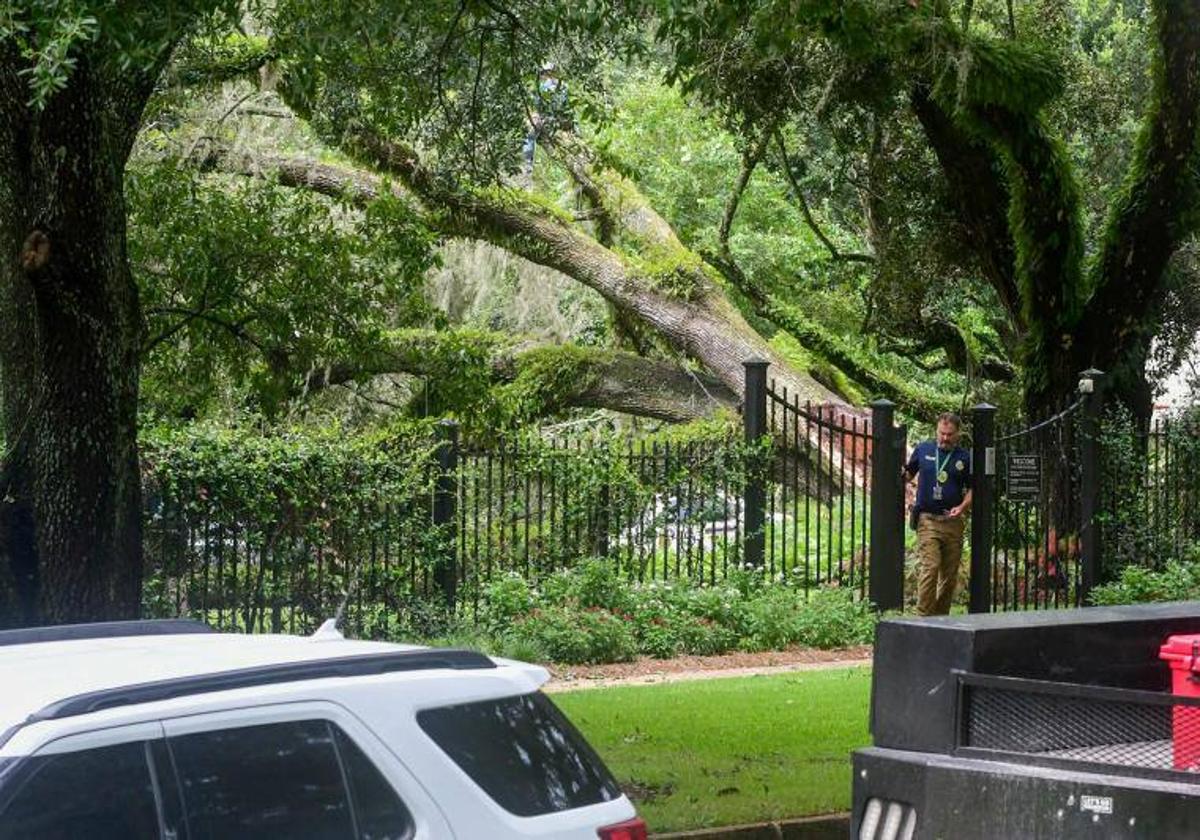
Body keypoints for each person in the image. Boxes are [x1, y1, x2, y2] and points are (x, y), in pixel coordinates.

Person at [903, 412, 972, 616]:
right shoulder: (923, 449)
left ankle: (940, 619)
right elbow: (908, 474)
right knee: (930, 567)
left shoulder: (964, 457)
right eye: (942, 433)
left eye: (950, 434)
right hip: (928, 519)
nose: (945, 438)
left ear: (958, 434)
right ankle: (923, 618)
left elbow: (972, 488)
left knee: (949, 577)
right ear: (937, 430)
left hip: (952, 522)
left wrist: (963, 507)